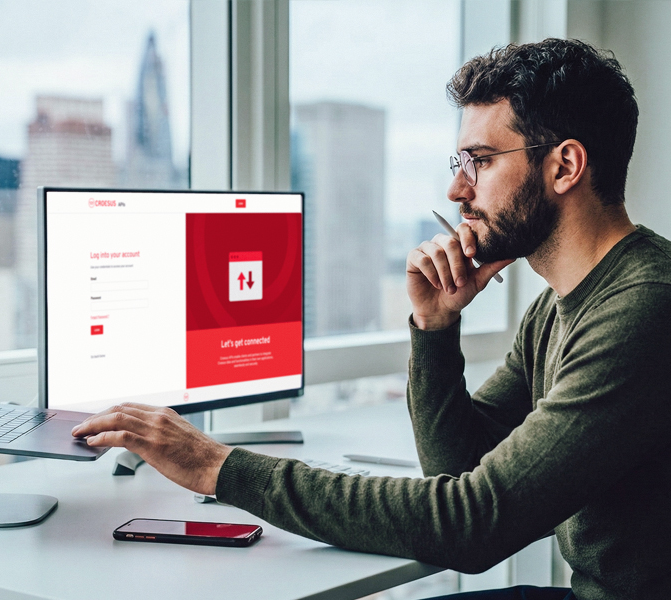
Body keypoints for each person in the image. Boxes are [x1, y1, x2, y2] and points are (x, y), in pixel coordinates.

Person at [70, 39, 671, 599]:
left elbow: (471, 523)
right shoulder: (558, 304)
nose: (456, 189)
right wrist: (436, 329)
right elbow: (459, 468)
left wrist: (214, 467)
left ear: (565, 167)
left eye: (480, 162)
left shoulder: (644, 307)